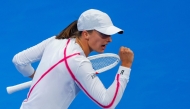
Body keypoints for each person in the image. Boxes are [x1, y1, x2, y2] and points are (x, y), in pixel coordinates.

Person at [12, 9, 134, 109]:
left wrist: (34, 75)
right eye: (104, 34)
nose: (109, 39)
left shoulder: (55, 41)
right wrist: (126, 66)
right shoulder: (78, 62)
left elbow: (19, 60)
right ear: (86, 34)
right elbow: (108, 103)